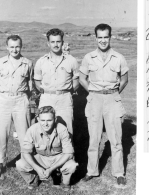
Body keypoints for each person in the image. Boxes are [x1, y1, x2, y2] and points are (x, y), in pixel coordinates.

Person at [79, 23, 129, 185]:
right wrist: (92, 92)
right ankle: (92, 171)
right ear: (95, 38)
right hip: (94, 100)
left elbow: (124, 79)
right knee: (94, 138)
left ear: (110, 37)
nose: (103, 41)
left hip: (112, 99)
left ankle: (119, 172)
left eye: (105, 37)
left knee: (116, 138)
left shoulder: (119, 57)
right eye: (99, 37)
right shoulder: (88, 57)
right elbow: (82, 78)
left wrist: (113, 93)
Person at [16, 106, 78, 191]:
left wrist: (51, 169)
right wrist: (37, 168)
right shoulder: (32, 130)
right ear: (38, 119)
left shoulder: (62, 129)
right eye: (42, 120)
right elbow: (25, 152)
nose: (45, 124)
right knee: (20, 164)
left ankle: (65, 182)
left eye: (49, 120)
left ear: (55, 119)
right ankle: (33, 179)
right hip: (41, 158)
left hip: (58, 157)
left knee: (72, 165)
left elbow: (69, 153)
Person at [34, 28, 79, 136]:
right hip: (46, 98)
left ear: (62, 43)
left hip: (64, 100)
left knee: (67, 132)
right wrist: (48, 92)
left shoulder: (71, 61)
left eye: (58, 41)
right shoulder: (41, 61)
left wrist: (65, 92)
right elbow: (37, 83)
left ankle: (67, 153)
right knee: (44, 132)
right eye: (52, 42)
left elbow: (76, 83)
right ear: (48, 43)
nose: (55, 44)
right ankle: (44, 153)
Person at [0, 35, 33, 180]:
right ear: (7, 47)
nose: (15, 49)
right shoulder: (1, 62)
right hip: (4, 99)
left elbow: (30, 85)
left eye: (17, 46)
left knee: (24, 134)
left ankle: (26, 163)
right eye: (12, 47)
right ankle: (1, 163)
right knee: (1, 134)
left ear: (21, 46)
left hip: (21, 100)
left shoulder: (28, 63)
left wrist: (27, 100)